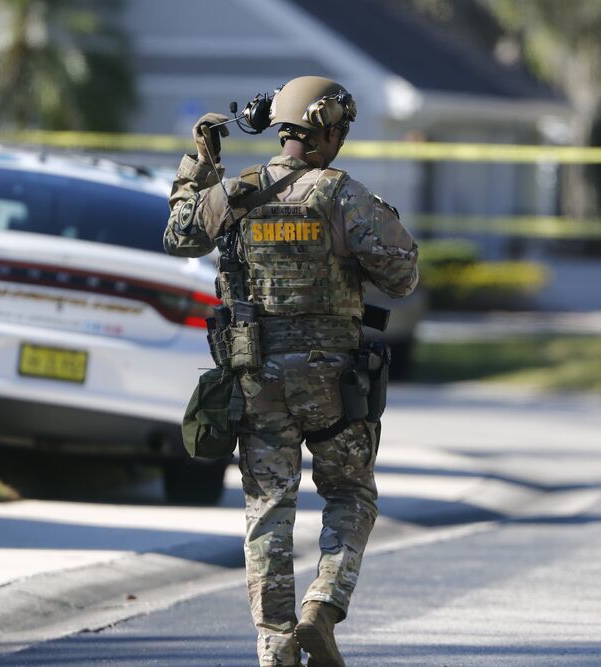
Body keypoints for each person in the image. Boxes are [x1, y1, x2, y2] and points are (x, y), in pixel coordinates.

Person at [163, 76, 419, 666]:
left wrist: (198, 169)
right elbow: (402, 277)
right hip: (334, 386)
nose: (342, 142)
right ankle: (322, 607)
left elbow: (179, 235)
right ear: (324, 131)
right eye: (341, 131)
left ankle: (276, 648)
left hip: (257, 380)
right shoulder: (343, 196)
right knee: (351, 493)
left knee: (268, 510)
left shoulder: (237, 193)